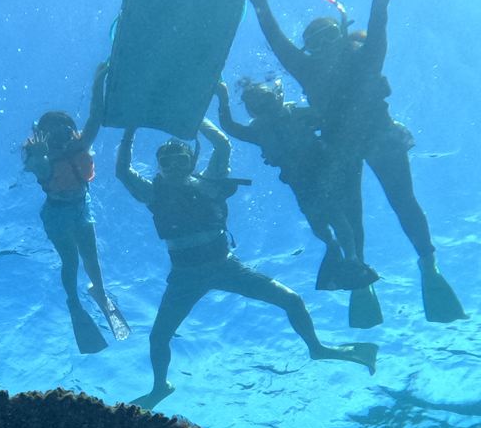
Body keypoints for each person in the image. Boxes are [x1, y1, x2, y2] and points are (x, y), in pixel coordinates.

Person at [246, 0, 465, 326]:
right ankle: (359, 272)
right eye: (315, 42)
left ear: (342, 36)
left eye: (328, 37)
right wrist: (259, 3)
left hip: (376, 138)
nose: (323, 47)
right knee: (353, 216)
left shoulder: (362, 59)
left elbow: (378, 36)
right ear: (310, 49)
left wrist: (380, 3)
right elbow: (275, 40)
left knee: (403, 203)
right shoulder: (306, 68)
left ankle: (428, 265)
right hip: (342, 148)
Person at [115, 119, 377, 410]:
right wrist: (130, 130)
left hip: (225, 266)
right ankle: (160, 386)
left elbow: (222, 144)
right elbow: (122, 171)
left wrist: (197, 116)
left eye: (181, 160)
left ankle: (317, 348)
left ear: (191, 162)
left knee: (292, 300)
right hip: (184, 277)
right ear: (159, 167)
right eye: (167, 162)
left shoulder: (208, 182)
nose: (174, 167)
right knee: (158, 336)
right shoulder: (153, 191)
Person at [213, 78, 374, 292]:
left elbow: (329, 116)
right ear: (253, 112)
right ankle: (332, 246)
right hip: (300, 184)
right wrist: (222, 98)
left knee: (336, 216)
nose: (263, 106)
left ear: (277, 97)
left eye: (266, 99)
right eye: (256, 105)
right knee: (317, 224)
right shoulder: (259, 132)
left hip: (322, 174)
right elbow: (230, 127)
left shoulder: (297, 114)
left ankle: (352, 258)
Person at [22, 63, 128, 353]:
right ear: (41, 135)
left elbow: (96, 116)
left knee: (92, 260)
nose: (57, 134)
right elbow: (39, 169)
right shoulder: (41, 158)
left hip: (82, 206)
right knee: (71, 261)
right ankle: (74, 301)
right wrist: (39, 157)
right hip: (57, 215)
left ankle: (100, 291)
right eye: (50, 130)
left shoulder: (81, 143)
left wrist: (98, 82)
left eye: (62, 127)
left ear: (70, 130)